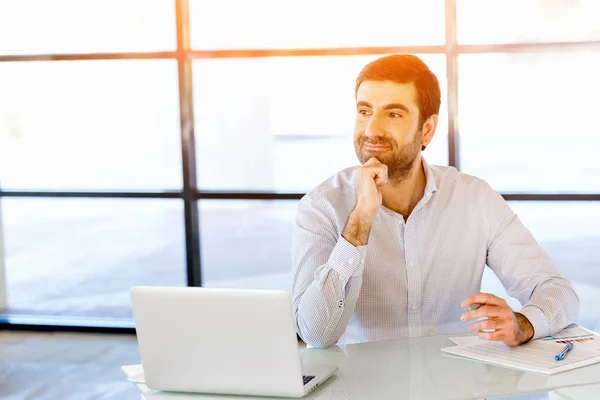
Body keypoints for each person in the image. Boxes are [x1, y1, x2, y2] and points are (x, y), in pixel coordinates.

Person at [291, 54, 579, 348]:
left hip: (456, 388)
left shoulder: (474, 199)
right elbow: (314, 333)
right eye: (365, 111)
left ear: (426, 129)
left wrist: (523, 324)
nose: (371, 130)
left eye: (393, 114)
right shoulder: (321, 207)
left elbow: (557, 291)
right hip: (361, 389)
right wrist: (360, 220)